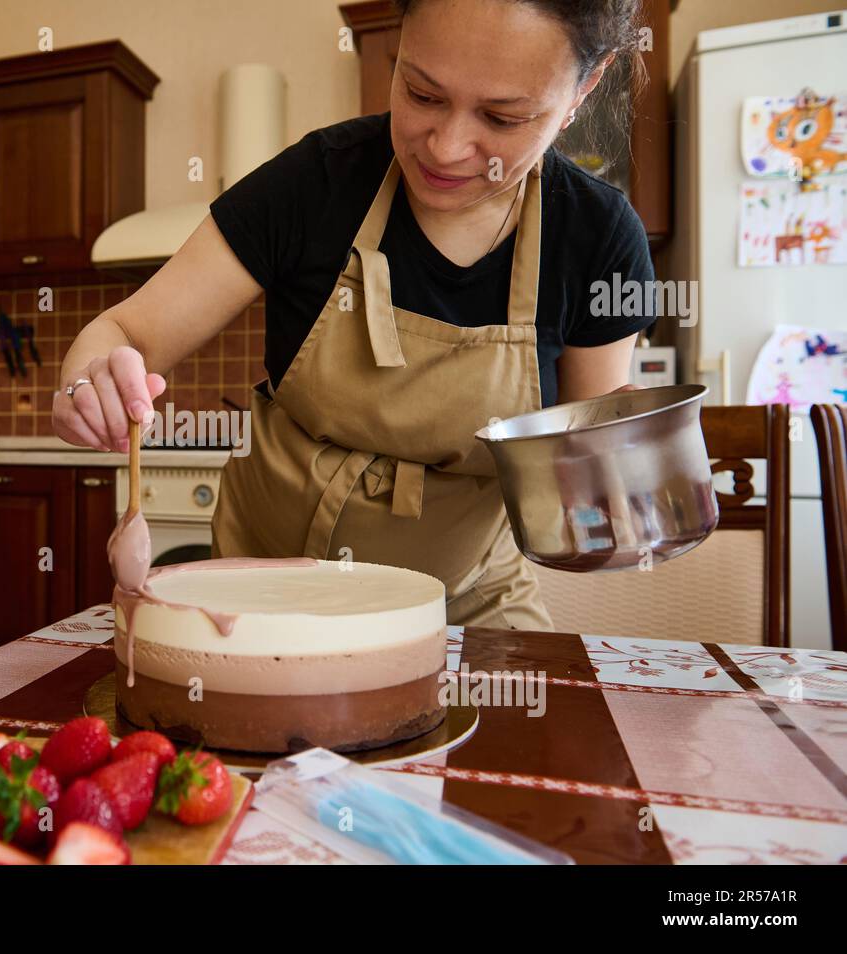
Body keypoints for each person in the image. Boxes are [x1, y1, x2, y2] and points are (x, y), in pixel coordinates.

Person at [53, 0, 657, 628]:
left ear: (585, 88)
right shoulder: (316, 182)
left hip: (465, 609)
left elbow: (586, 471)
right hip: (259, 601)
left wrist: (618, 473)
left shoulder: (597, 237)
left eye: (503, 117)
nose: (447, 147)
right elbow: (123, 331)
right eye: (422, 93)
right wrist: (89, 384)